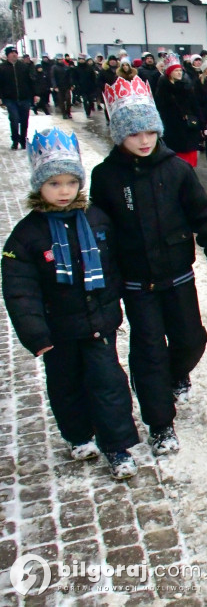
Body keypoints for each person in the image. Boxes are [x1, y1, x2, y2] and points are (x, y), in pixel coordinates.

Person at [90, 75, 207, 457]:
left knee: (192, 341)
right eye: (134, 132)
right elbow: (99, 234)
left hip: (178, 277)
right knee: (149, 351)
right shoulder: (105, 177)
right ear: (119, 134)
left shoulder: (176, 171)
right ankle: (160, 423)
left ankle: (174, 374)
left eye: (149, 131)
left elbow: (205, 218)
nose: (144, 140)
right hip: (137, 285)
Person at [2, 128, 141, 479]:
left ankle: (117, 446)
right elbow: (20, 289)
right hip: (58, 330)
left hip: (99, 324)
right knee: (66, 386)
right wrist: (35, 332)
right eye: (54, 184)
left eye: (69, 182)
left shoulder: (96, 220)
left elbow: (115, 267)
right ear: (39, 186)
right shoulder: (26, 235)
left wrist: (121, 304)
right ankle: (78, 434)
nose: (64, 191)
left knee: (108, 383)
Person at [155, 55, 203, 168]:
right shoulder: (163, 89)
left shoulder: (186, 87)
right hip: (172, 128)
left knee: (190, 159)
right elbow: (161, 108)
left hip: (188, 127)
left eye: (180, 70)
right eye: (176, 70)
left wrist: (201, 123)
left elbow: (195, 106)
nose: (179, 73)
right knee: (176, 159)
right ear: (170, 72)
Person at [0, 45, 39, 149]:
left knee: (24, 120)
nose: (14, 55)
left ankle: (23, 139)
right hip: (10, 99)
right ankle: (15, 140)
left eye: (15, 53)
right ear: (7, 55)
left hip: (24, 98)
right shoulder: (2, 68)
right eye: (11, 53)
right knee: (14, 118)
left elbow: (31, 82)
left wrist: (35, 94)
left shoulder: (23, 67)